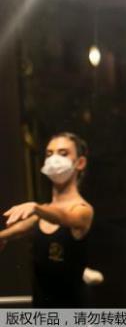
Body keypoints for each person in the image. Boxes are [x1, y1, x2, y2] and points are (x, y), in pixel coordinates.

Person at [0, 132, 93, 308]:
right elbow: (22, 227)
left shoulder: (82, 209)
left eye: (63, 153)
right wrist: (2, 236)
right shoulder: (43, 213)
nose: (54, 159)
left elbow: (65, 217)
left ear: (80, 162)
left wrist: (36, 207)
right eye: (49, 154)